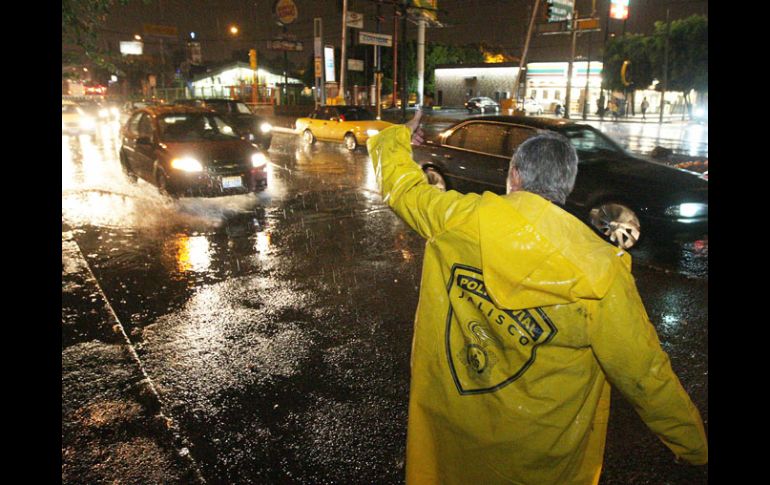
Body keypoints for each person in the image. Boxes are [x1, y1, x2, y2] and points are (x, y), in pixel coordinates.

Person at [366, 109, 708, 485]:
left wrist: (396, 138)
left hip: (457, 435)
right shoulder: (601, 269)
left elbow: (403, 188)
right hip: (541, 457)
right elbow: (644, 375)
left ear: (514, 176)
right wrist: (693, 446)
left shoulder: (458, 219)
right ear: (567, 185)